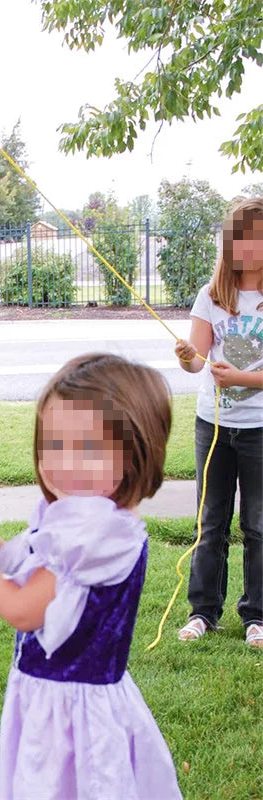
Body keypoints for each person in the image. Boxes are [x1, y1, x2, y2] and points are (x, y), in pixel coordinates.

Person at [0, 353, 182, 800]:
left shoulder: (93, 536)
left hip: (72, 721)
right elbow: (15, 565)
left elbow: (23, 611)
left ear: (135, 452)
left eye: (89, 448)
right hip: (56, 701)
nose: (65, 462)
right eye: (54, 443)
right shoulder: (84, 518)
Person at [174, 197, 263, 649]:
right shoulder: (211, 295)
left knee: (258, 524)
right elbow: (196, 362)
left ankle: (258, 617)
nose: (247, 246)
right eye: (240, 237)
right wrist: (189, 358)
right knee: (210, 523)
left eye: (256, 236)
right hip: (213, 425)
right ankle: (203, 612)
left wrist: (244, 377)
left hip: (259, 429)